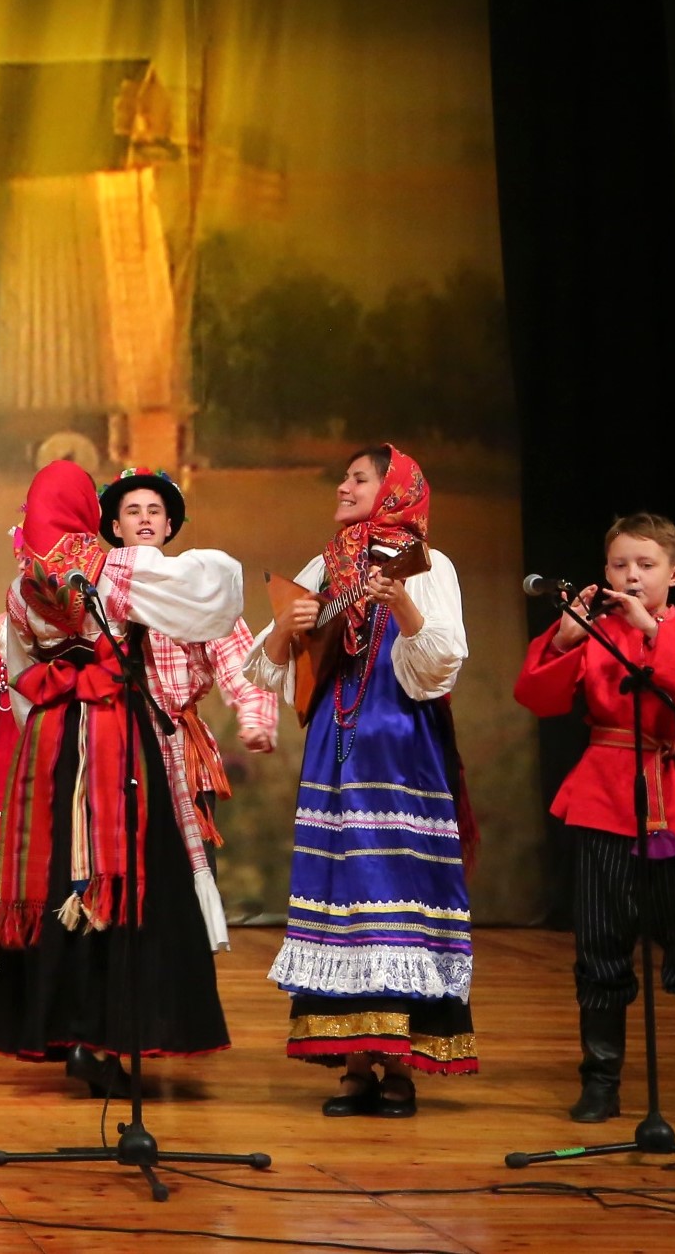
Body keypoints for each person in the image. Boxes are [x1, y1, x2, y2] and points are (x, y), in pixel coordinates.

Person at [0, 462, 252, 1094]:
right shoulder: (113, 567)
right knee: (128, 868)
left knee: (58, 868)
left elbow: (19, 677)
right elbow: (216, 589)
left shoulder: (21, 589)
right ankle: (114, 1032)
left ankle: (63, 1030)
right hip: (116, 732)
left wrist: (50, 720)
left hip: (51, 742)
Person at [249, 445, 474, 1117]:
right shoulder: (326, 565)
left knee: (397, 891)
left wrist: (402, 605)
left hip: (401, 749)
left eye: (358, 478)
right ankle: (352, 1064)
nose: (343, 487)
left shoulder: (426, 564)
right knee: (340, 892)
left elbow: (439, 666)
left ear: (394, 488)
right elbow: (269, 666)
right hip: (337, 747)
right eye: (344, 478)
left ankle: (399, 1065)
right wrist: (285, 629)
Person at [514, 512, 675, 1129]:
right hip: (607, 796)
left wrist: (652, 632)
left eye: (646, 565)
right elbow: (536, 697)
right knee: (601, 947)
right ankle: (601, 1081)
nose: (632, 576)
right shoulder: (594, 633)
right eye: (620, 565)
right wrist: (563, 641)